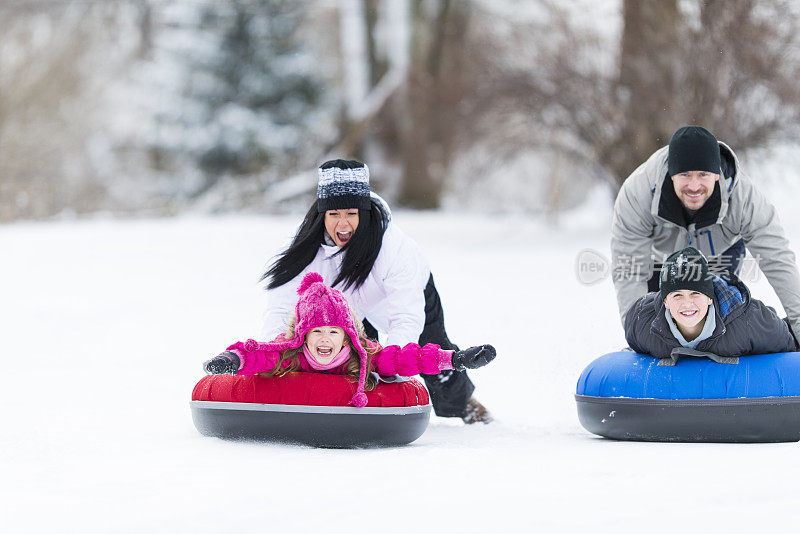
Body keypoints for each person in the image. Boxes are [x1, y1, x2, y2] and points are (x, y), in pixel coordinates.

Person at [257, 159, 493, 423]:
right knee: (350, 358)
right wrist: (273, 356)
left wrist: (394, 371)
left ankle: (463, 405)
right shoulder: (308, 247)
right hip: (346, 309)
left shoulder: (396, 249)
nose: (342, 224)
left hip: (406, 299)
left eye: (351, 214)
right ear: (322, 215)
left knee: (429, 350)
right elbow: (281, 307)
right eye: (334, 214)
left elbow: (405, 319)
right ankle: (348, 408)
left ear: (364, 212)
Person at [611, 125, 800, 342]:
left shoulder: (744, 200)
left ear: (716, 174)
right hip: (660, 262)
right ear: (672, 174)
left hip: (720, 254)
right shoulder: (637, 194)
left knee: (720, 320)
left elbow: (778, 260)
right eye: (684, 174)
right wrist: (638, 332)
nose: (694, 185)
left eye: (703, 174)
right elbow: (629, 269)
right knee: (659, 324)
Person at [204, 272, 496, 407]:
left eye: (333, 332)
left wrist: (454, 359)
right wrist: (231, 360)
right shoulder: (289, 352)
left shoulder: (364, 355)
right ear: (302, 336)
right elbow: (258, 354)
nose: (324, 339)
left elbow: (406, 357)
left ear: (346, 338)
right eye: (316, 331)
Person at [624, 247, 797, 360]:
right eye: (677, 295)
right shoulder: (642, 322)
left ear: (709, 297)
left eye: (695, 293)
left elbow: (787, 348)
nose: (687, 304)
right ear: (665, 301)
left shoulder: (749, 320)